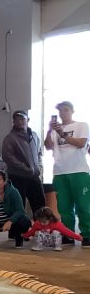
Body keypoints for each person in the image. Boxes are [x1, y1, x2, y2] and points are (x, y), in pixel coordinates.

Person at [46, 101, 90, 240]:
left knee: (83, 205)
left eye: (66, 110)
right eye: (60, 111)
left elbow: (81, 143)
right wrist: (49, 130)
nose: (62, 113)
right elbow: (48, 146)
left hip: (79, 171)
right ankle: (68, 234)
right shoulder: (55, 129)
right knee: (64, 207)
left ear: (72, 111)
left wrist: (63, 134)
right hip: (60, 172)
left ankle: (87, 234)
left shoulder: (81, 125)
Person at [2, 110, 46, 212]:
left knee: (40, 205)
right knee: (18, 206)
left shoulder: (34, 135)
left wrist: (38, 165)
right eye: (16, 120)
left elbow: (39, 152)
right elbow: (8, 157)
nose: (19, 121)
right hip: (18, 177)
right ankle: (20, 227)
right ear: (13, 122)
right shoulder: (9, 138)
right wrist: (25, 167)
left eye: (22, 119)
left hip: (34, 176)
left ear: (28, 120)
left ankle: (40, 226)